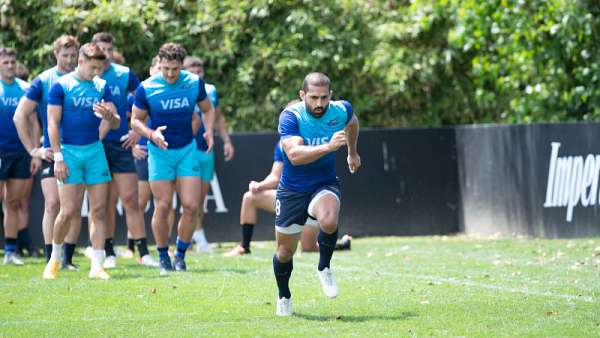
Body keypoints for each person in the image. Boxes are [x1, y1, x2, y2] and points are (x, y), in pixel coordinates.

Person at [272, 72, 360, 316]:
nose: (319, 104)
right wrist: (330, 147)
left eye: (324, 97)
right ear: (302, 96)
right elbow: (295, 156)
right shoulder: (291, 116)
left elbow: (352, 122)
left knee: (329, 220)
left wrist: (352, 152)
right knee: (284, 252)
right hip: (292, 190)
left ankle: (324, 267)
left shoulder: (340, 109)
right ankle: (284, 295)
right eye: (313, 98)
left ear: (330, 95)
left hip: (324, 183)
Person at [131, 43, 215, 275]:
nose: (170, 74)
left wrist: (208, 130)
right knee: (164, 205)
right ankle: (162, 255)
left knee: (190, 205)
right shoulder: (147, 88)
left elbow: (207, 109)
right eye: (166, 68)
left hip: (187, 149)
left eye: (175, 69)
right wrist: (150, 134)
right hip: (159, 152)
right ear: (159, 63)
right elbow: (135, 121)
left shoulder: (193, 83)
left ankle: (179, 255)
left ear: (182, 66)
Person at [42, 42, 120, 280]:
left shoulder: (101, 86)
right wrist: (58, 158)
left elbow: (115, 121)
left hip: (95, 152)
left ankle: (97, 265)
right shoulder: (61, 86)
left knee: (98, 210)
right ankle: (54, 260)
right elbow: (52, 124)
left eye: (100, 68)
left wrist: (109, 117)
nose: (96, 72)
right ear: (81, 61)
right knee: (68, 211)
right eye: (93, 67)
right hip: (69, 153)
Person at [14, 35, 83, 269]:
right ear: (55, 54)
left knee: (73, 207)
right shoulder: (44, 80)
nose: (70, 60)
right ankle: (50, 258)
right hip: (53, 152)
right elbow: (20, 115)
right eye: (65, 55)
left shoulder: (87, 79)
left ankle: (68, 259)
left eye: (74, 55)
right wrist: (34, 150)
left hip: (81, 150)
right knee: (53, 204)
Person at [91, 32, 157, 268]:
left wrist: (137, 132)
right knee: (104, 203)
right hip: (95, 146)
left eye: (109, 49)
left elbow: (145, 99)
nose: (106, 53)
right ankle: (108, 252)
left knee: (131, 199)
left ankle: (143, 253)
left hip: (121, 145)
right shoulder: (88, 76)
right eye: (101, 49)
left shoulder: (124, 73)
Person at [224, 139, 352, 257]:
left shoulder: (314, 139)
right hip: (289, 199)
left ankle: (341, 245)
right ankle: (244, 247)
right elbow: (275, 176)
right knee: (249, 197)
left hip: (311, 200)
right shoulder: (283, 143)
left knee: (309, 248)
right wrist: (259, 185)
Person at [183, 56, 234, 253]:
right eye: (192, 67)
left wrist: (227, 140)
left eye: (200, 66)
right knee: (189, 199)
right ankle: (192, 238)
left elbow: (218, 117)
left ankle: (195, 236)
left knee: (201, 198)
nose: (197, 70)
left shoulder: (210, 90)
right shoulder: (182, 88)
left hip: (207, 150)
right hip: (187, 149)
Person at [0, 47, 32, 265]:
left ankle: (11, 251)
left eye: (12, 62)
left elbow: (33, 122)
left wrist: (34, 153)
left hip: (20, 153)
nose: (10, 65)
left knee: (13, 202)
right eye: (5, 62)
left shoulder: (25, 88)